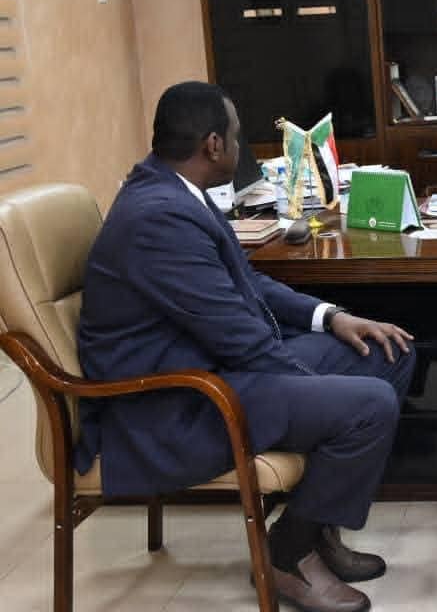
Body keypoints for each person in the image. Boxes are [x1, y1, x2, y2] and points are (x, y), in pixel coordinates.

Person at [77, 82, 415, 612]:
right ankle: (286, 553)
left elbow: (247, 284)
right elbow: (238, 338)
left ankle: (315, 527)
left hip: (213, 367)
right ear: (213, 145)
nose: (241, 148)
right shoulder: (157, 218)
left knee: (385, 351)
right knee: (368, 404)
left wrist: (333, 317)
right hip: (177, 403)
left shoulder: (174, 191)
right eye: (236, 136)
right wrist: (323, 388)